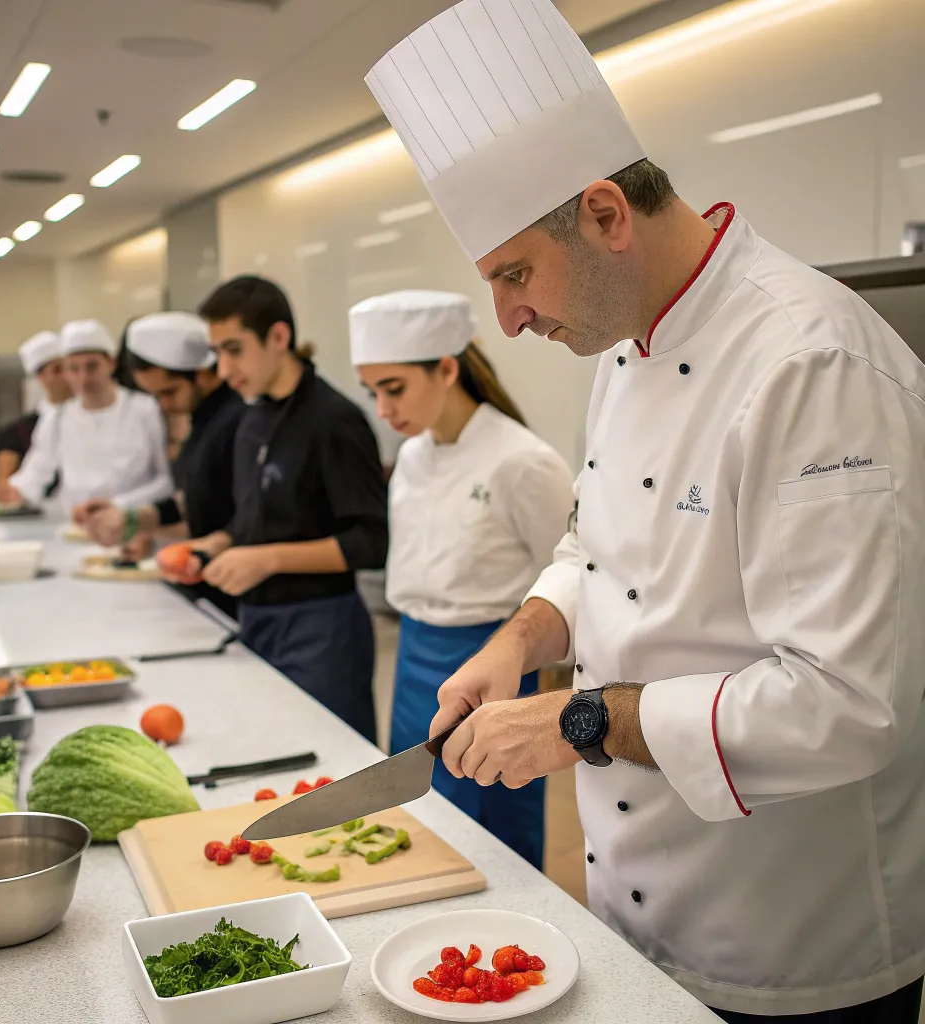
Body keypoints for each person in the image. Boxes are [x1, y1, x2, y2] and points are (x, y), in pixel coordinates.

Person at [366, 3, 925, 1022]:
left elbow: (846, 705)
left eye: (515, 274)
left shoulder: (812, 361)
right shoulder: (622, 345)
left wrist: (579, 720)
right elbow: (596, 545)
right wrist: (520, 640)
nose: (510, 318)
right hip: (632, 910)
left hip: (791, 938)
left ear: (604, 214)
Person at [349, 290, 574, 869]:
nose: (382, 409)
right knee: (423, 827)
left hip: (489, 664)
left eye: (393, 389)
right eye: (371, 391)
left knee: (492, 838)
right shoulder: (413, 458)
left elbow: (569, 576)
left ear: (447, 369)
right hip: (413, 656)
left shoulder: (523, 461)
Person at [165, 276, 387, 743]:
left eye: (234, 350)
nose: (223, 370)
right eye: (217, 353)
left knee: (331, 766)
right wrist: (216, 544)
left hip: (322, 628)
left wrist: (267, 559)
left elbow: (371, 540)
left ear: (279, 337)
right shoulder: (252, 416)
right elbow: (254, 516)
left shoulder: (334, 419)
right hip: (258, 620)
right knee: (273, 749)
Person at [80, 312, 245, 615]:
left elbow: (242, 512)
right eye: (155, 396)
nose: (163, 405)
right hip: (202, 583)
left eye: (169, 392)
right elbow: (198, 497)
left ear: (203, 373)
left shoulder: (237, 420)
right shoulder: (204, 420)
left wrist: (213, 543)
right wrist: (136, 520)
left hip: (236, 590)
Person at [8, 319, 174, 516]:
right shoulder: (57, 417)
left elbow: (166, 479)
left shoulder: (145, 409)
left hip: (136, 524)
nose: (83, 378)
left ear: (110, 364)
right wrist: (14, 491)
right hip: (77, 526)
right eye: (74, 369)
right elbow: (37, 472)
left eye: (92, 367)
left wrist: (120, 507)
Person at [0, 330, 71, 505]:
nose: (68, 376)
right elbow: (37, 471)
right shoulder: (24, 429)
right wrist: (13, 490)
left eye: (70, 368)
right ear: (40, 377)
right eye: (58, 370)